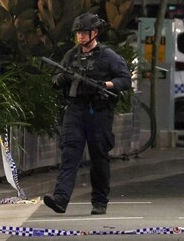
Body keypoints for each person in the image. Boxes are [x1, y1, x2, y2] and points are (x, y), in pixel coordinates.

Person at [43, 13, 131, 215]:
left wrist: (104, 85)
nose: (80, 37)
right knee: (69, 154)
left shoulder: (108, 56)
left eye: (84, 33)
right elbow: (55, 77)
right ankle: (60, 199)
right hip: (75, 110)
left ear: (95, 33)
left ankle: (100, 201)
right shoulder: (72, 55)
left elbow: (124, 80)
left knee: (99, 157)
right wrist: (60, 80)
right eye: (78, 33)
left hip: (98, 111)